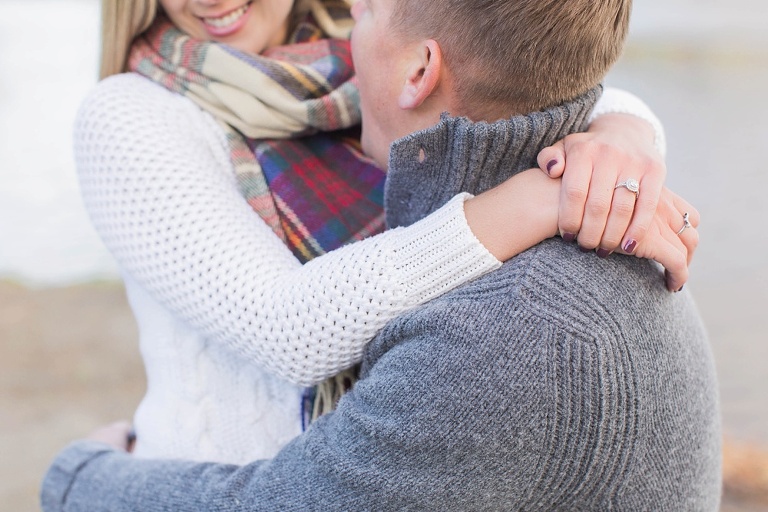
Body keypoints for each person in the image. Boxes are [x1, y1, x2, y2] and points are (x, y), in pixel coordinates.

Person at [42, 0, 719, 509]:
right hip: (200, 483)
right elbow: (291, 328)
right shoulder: (130, 114)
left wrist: (623, 132)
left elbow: (528, 68)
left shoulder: (365, 48)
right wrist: (532, 202)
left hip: (383, 468)